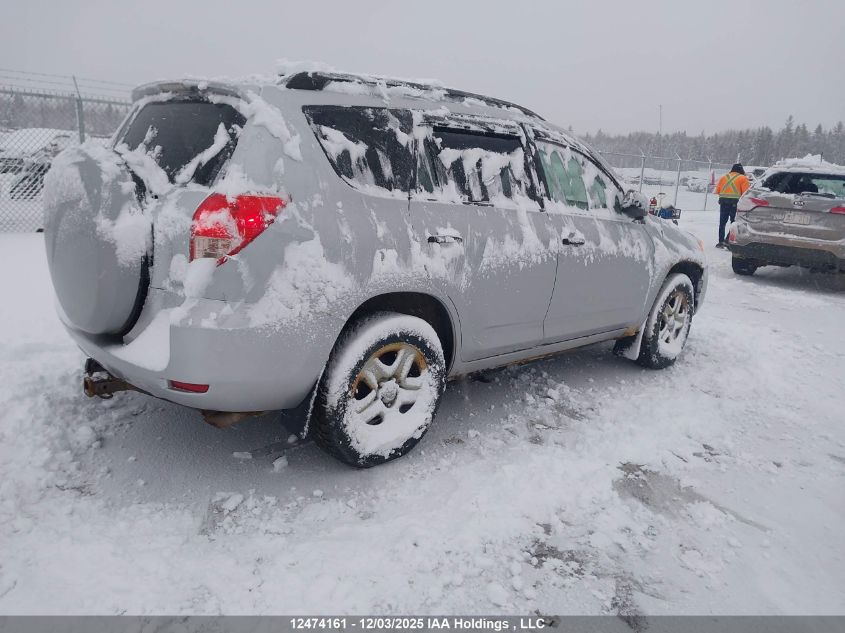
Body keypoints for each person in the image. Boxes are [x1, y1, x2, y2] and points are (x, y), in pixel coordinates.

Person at [714, 163, 750, 248]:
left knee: (722, 222)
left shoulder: (724, 177)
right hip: (735, 203)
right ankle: (728, 240)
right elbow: (746, 193)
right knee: (734, 222)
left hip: (723, 202)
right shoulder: (743, 178)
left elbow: (718, 190)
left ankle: (720, 241)